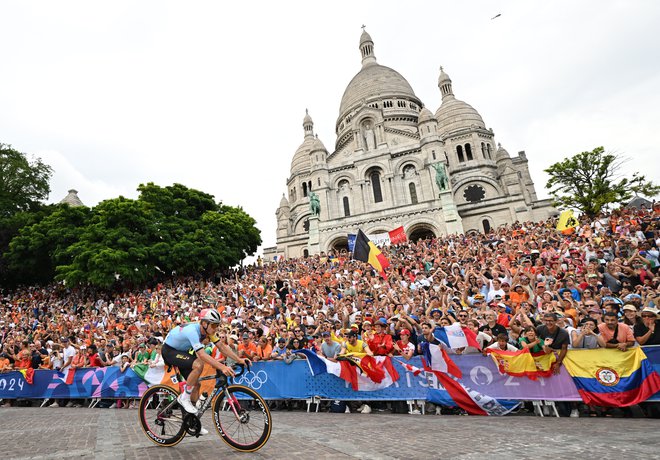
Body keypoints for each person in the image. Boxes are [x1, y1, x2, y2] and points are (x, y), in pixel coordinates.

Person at [162, 309, 250, 422]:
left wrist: (239, 360)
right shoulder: (192, 331)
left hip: (181, 352)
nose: (215, 328)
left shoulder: (208, 332)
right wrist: (222, 367)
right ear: (204, 323)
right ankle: (184, 398)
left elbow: (222, 347)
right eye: (213, 325)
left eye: (217, 325)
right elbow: (202, 355)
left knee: (196, 384)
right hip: (169, 351)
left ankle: (190, 420)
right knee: (199, 364)